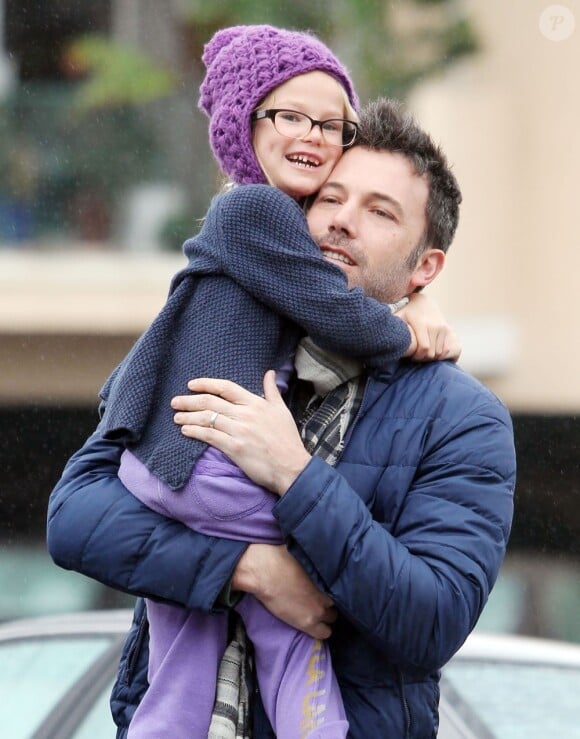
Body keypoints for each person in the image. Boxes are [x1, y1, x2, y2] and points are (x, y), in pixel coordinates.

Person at [47, 97, 514, 738]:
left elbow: (432, 621)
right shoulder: (218, 336)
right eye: (330, 199)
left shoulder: (462, 418)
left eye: (380, 212)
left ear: (425, 267)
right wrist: (249, 570)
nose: (343, 222)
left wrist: (296, 477)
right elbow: (75, 518)